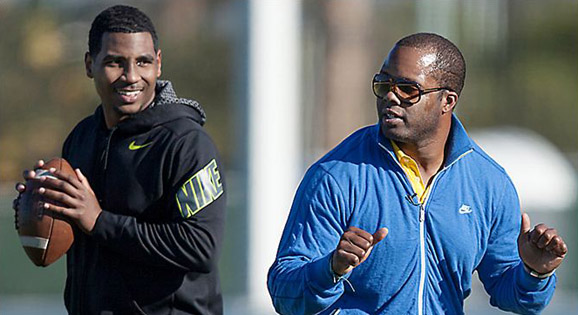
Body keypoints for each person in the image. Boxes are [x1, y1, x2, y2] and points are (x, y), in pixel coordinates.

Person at [267, 33, 567, 314]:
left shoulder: (489, 183)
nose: (390, 97)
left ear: (447, 101)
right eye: (384, 84)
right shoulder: (335, 175)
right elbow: (284, 292)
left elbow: (512, 294)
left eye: (408, 89)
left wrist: (534, 272)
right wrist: (331, 268)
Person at [13, 5, 226, 314]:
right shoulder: (82, 137)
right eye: (115, 62)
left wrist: (99, 220)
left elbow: (201, 246)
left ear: (159, 64)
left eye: (143, 62)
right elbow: (76, 231)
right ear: (89, 64)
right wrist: (41, 208)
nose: (131, 76)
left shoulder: (186, 144)